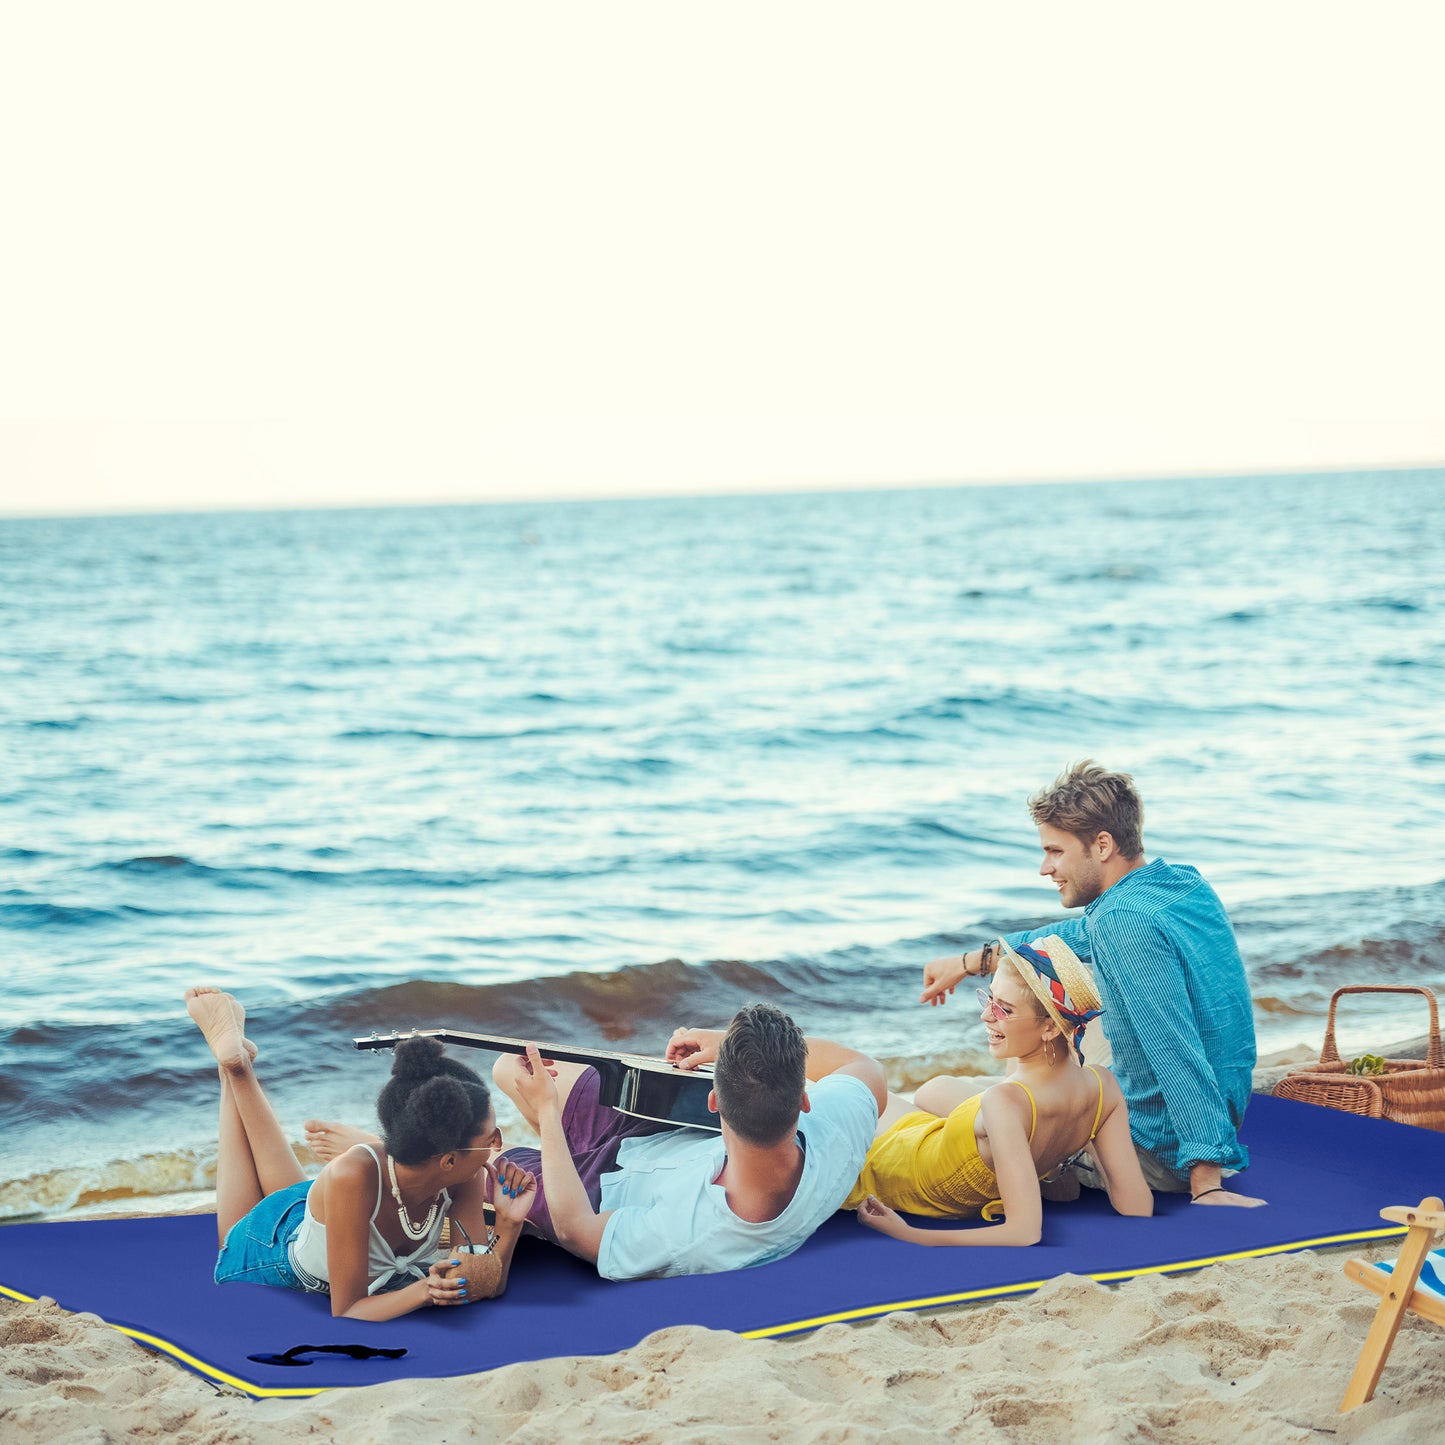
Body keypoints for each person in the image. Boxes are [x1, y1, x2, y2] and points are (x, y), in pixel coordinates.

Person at [919, 761, 1264, 1208]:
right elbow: (1069, 938)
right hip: (1209, 1113)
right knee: (1053, 997)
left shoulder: (1123, 922)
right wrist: (971, 962)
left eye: (1055, 851)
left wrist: (1206, 1180)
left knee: (936, 1091)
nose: (1045, 868)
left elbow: (1174, 1050)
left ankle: (1034, 1123)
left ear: (1102, 845)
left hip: (1154, 1152)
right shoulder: (1178, 885)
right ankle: (1032, 1094)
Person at [187, 986, 536, 1318]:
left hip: (326, 1213)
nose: (496, 1147)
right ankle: (232, 1070)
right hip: (272, 1253)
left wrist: (509, 1223)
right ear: (448, 1159)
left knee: (294, 1199)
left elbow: (479, 1283)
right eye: (492, 1138)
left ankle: (239, 1067)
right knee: (232, 1236)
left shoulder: (464, 1176)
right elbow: (349, 1309)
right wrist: (422, 1291)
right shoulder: (352, 1174)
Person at [488, 1002, 887, 1279]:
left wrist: (547, 1111)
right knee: (509, 1065)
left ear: (713, 1101)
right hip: (659, 1135)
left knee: (486, 1158)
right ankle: (563, 1142)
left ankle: (559, 1149)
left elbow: (577, 1231)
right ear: (803, 1099)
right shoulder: (838, 1129)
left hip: (596, 1195)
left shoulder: (693, 1234)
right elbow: (862, 1064)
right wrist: (728, 1043)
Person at [853, 936, 1152, 1246]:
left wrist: (908, 1234)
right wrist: (1083, 1136)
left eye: (1004, 1010)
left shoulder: (1006, 1102)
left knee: (854, 1084)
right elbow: (1137, 1207)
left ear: (1050, 1028)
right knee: (911, 1091)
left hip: (905, 1171)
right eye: (989, 998)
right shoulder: (1102, 1085)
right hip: (929, 1141)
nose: (986, 1015)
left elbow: (1024, 1232)